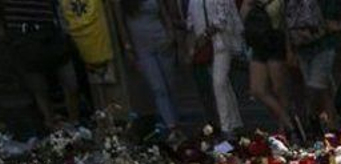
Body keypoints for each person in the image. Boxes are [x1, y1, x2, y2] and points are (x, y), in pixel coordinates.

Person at [0, 0, 82, 129]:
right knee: (39, 87)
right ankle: (51, 123)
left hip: (50, 28)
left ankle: (74, 123)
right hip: (23, 33)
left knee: (71, 83)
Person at [119, 0, 181, 133]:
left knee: (170, 85)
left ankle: (176, 120)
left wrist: (171, 35)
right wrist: (127, 47)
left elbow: (164, 14)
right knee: (158, 88)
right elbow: (121, 23)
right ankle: (171, 126)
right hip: (142, 49)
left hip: (162, 40)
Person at [187, 0, 245, 136]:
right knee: (223, 84)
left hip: (222, 42)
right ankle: (235, 122)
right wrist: (191, 44)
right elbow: (190, 21)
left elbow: (222, 18)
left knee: (218, 83)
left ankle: (227, 127)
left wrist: (205, 35)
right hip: (205, 45)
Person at [287, 0, 341, 131]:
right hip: (301, 47)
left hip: (324, 44)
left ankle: (314, 118)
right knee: (320, 88)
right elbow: (287, 20)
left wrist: (339, 22)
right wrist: (289, 49)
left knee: (316, 86)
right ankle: (330, 123)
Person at [241, 0, 295, 133]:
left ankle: (284, 128)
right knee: (257, 89)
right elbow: (243, 18)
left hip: (275, 40)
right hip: (258, 40)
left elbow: (286, 23)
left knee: (279, 88)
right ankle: (289, 122)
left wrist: (289, 49)